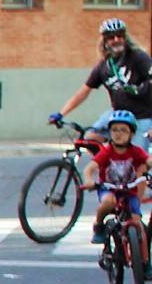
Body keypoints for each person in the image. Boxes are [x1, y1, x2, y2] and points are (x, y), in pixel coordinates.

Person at [53, 18, 152, 145]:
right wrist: (61, 114)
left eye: (120, 35)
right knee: (90, 139)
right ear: (105, 41)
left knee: (138, 160)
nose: (116, 39)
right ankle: (108, 163)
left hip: (142, 117)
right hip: (118, 115)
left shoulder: (138, 57)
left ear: (125, 38)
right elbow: (83, 92)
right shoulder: (104, 65)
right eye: (111, 37)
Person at [82, 109, 150, 244]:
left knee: (137, 222)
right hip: (109, 188)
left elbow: (148, 161)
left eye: (123, 130)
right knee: (108, 202)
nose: (118, 134)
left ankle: (141, 258)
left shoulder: (136, 151)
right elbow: (90, 168)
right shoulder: (107, 151)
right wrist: (89, 180)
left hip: (129, 191)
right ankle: (99, 225)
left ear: (132, 134)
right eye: (114, 130)